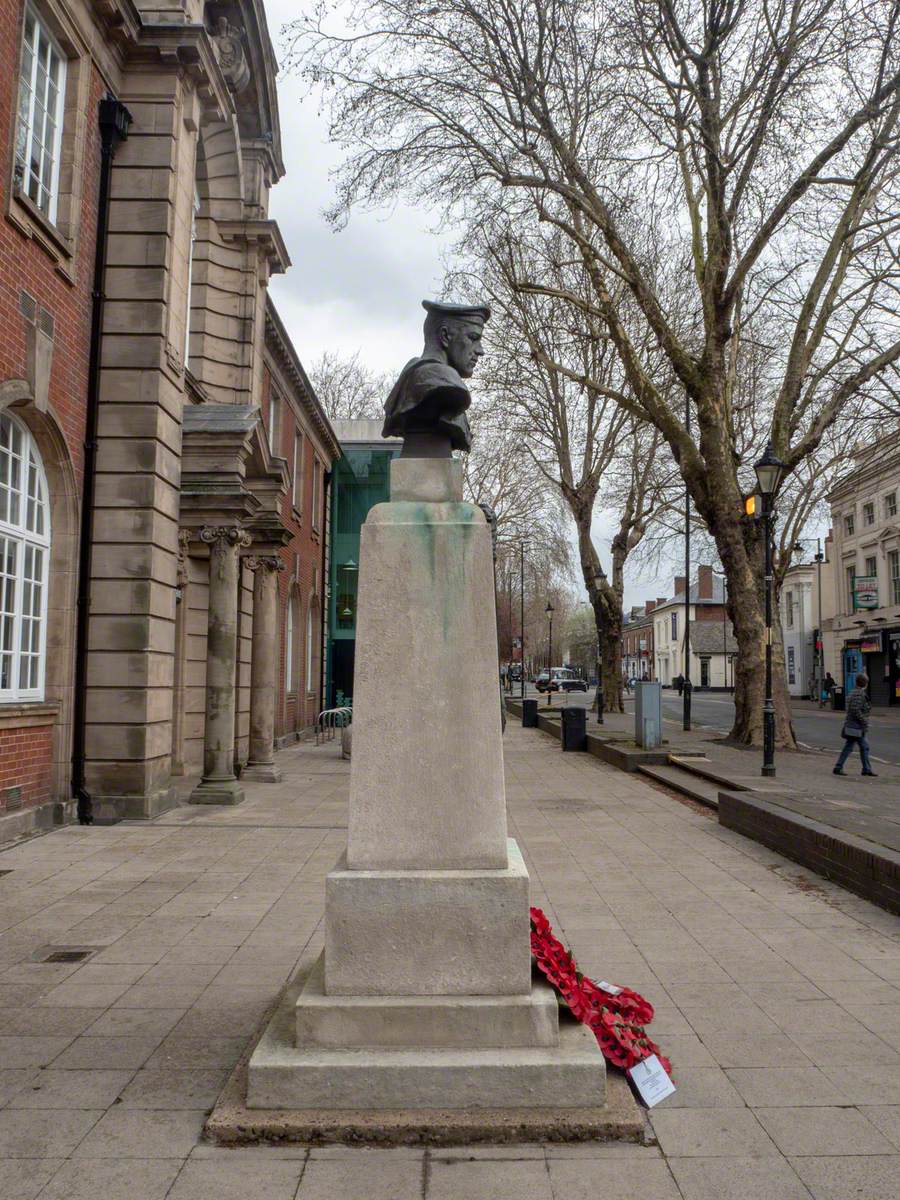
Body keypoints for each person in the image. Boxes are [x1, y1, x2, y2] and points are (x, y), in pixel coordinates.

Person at [833, 673, 877, 777]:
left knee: (857, 747)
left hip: (853, 726)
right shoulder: (859, 694)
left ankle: (864, 769)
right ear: (865, 683)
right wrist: (864, 721)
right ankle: (840, 767)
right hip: (856, 727)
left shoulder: (852, 692)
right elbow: (855, 710)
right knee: (863, 747)